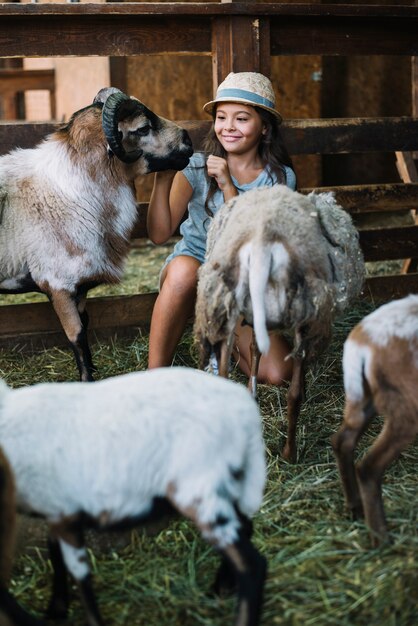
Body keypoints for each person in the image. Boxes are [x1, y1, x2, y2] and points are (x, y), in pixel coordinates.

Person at [147, 71, 296, 385]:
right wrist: (162, 179)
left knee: (279, 374)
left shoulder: (279, 179)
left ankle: (216, 335)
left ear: (264, 127)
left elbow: (253, 243)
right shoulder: (197, 167)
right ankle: (153, 377)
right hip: (193, 269)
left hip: (241, 285)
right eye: (221, 117)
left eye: (242, 119)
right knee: (184, 271)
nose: (228, 126)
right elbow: (159, 234)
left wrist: (228, 185)